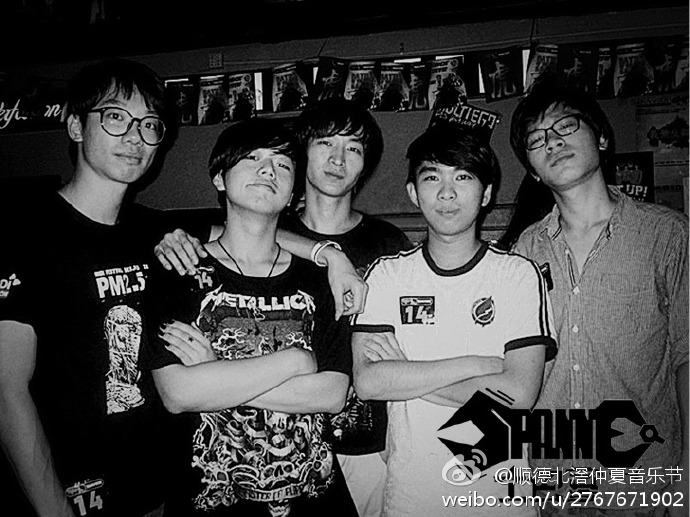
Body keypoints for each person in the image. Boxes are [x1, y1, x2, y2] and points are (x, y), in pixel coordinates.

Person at [156, 97, 413, 517]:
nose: (338, 158)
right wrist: (296, 360)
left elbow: (337, 389)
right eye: (325, 143)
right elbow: (178, 393)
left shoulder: (381, 248)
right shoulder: (247, 231)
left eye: (353, 148)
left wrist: (215, 373)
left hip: (364, 447)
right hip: (227, 474)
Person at [351, 123, 557, 517]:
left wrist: (407, 374)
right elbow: (369, 382)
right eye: (432, 178)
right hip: (412, 499)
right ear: (413, 193)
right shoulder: (387, 276)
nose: (447, 193)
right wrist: (476, 365)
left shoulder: (518, 275)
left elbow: (517, 397)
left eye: (463, 177)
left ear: (487, 193)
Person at [0, 58, 173, 517]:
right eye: (116, 117)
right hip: (66, 497)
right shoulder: (24, 236)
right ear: (76, 125)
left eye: (149, 124)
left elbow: (246, 228)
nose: (135, 137)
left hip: (153, 492)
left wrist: (326, 255)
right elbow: (6, 391)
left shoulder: (154, 231)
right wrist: (53, 509)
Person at [508, 80, 688, 515]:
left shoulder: (666, 234)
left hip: (641, 486)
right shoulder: (524, 251)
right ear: (533, 171)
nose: (552, 141)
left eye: (566, 125)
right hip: (551, 487)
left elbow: (687, 356)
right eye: (536, 139)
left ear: (602, 138)